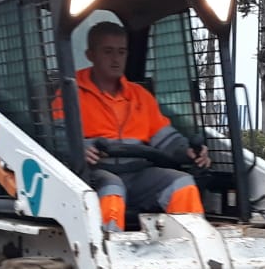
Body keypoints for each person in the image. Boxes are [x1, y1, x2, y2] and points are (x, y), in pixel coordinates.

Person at [68, 21, 211, 232]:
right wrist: (81, 146)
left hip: (138, 174)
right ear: (91, 55)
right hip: (94, 173)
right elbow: (57, 137)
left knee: (183, 184)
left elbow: (165, 138)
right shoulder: (70, 93)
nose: (116, 59)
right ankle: (109, 254)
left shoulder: (141, 97)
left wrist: (187, 150)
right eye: (108, 51)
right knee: (112, 189)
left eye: (121, 52)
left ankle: (190, 249)